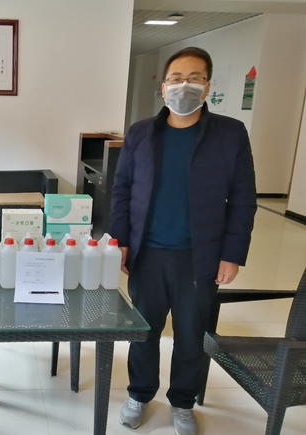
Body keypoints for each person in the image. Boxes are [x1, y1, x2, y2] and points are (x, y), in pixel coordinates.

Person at [109, 47, 256, 435]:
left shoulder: (230, 133)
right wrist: (119, 240)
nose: (184, 85)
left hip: (200, 256)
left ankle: (183, 402)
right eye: (176, 78)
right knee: (144, 332)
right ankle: (139, 393)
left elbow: (243, 197)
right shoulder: (141, 132)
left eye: (194, 78)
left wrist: (232, 254)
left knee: (191, 335)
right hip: (148, 253)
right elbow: (121, 190)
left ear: (207, 86)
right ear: (163, 87)